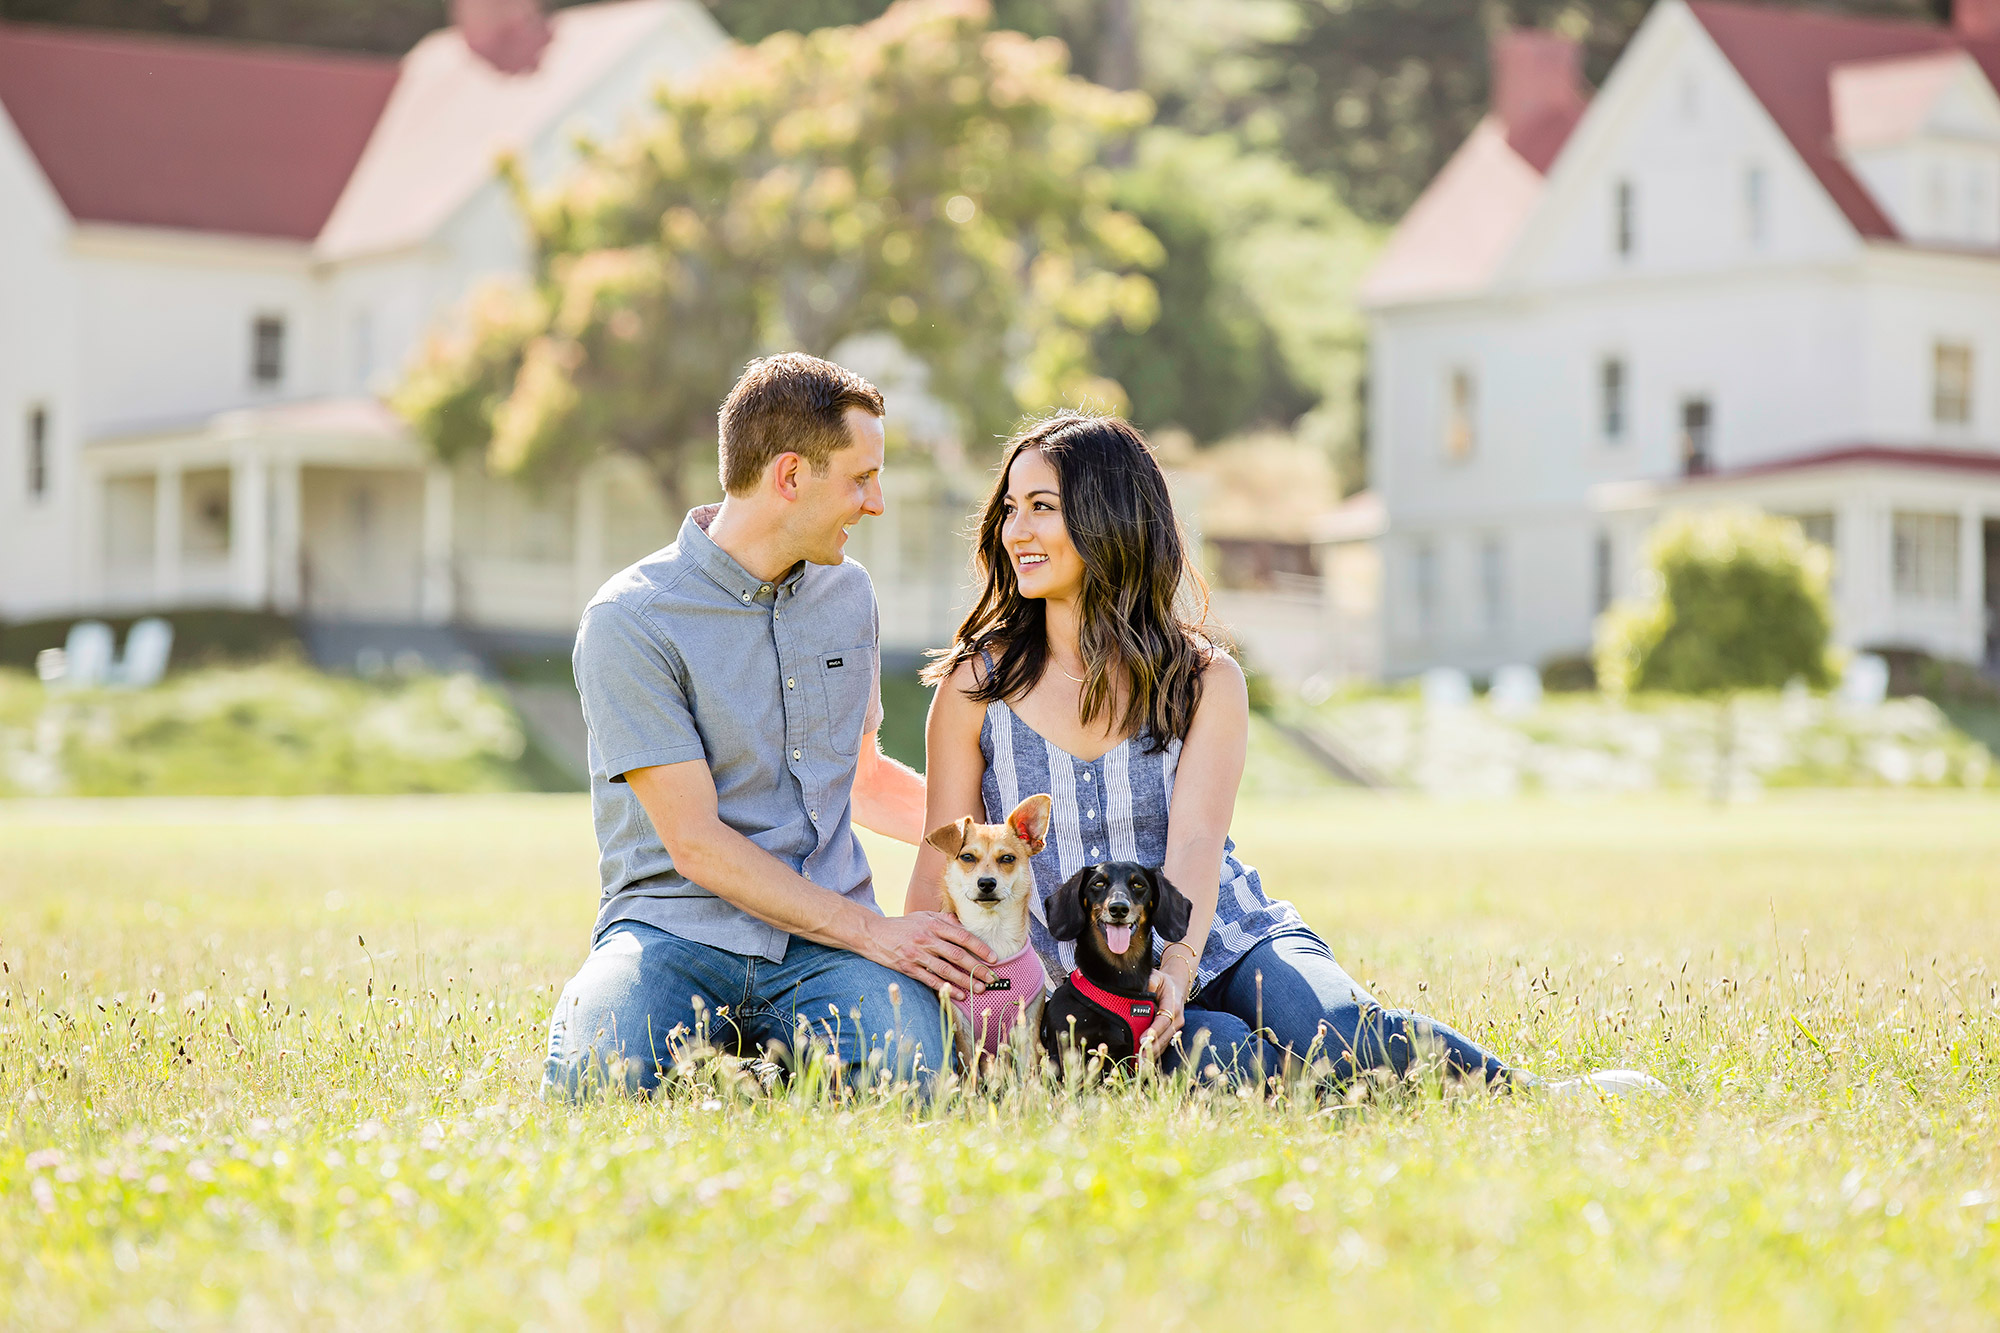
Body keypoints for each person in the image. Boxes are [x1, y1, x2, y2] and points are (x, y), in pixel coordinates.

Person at [909, 411, 1664, 1098]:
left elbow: (1199, 843)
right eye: (1010, 508)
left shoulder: (1204, 680)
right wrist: (921, 1009)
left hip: (1230, 936)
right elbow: (939, 866)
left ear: (1109, 517)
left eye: (1042, 507)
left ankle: (1536, 1097)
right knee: (1230, 1060)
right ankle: (1362, 1097)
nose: (1015, 531)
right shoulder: (979, 685)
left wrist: (1176, 968)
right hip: (1093, 985)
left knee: (1333, 1024)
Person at [543, 353, 997, 1098]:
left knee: (918, 1078)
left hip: (824, 948)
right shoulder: (631, 620)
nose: (876, 503)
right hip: (672, 934)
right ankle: (754, 1072)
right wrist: (875, 934)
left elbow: (864, 778)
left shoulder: (849, 595)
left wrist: (1001, 846)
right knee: (594, 1082)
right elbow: (695, 844)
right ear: (790, 476)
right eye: (860, 478)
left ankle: (761, 1076)